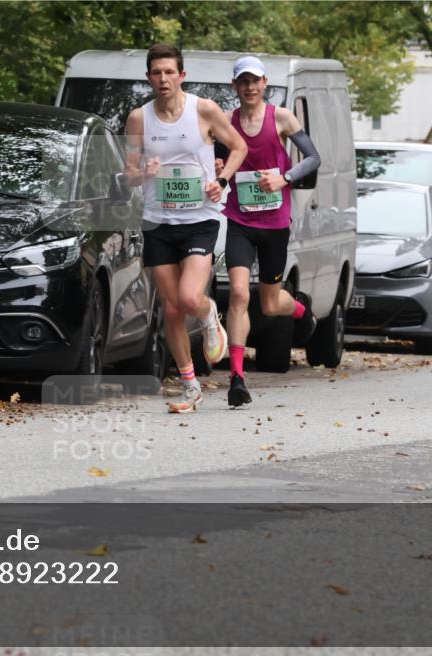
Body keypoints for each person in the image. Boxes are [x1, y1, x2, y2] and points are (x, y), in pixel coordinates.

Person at [124, 44, 248, 414]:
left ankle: (210, 317)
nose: (163, 79)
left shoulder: (203, 110)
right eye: (156, 73)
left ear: (182, 75)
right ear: (148, 78)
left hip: (199, 220)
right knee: (172, 309)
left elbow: (239, 147)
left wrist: (221, 181)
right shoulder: (139, 119)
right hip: (157, 221)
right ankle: (190, 386)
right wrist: (142, 172)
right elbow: (128, 175)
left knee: (191, 298)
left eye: (169, 72)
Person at [221, 55, 321, 408]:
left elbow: (313, 158)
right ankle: (237, 378)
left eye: (255, 81)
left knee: (269, 303)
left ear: (265, 83)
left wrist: (284, 178)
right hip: (240, 221)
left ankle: (300, 310)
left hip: (275, 224)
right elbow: (214, 157)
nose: (249, 87)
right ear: (235, 86)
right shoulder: (227, 121)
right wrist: (217, 165)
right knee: (238, 294)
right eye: (243, 81)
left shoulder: (281, 117)